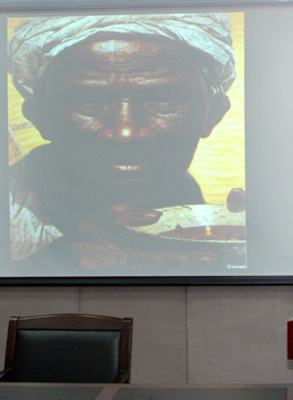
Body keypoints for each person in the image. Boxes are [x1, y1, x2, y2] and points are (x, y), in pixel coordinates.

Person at [8, 14, 237, 269]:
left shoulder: (200, 210)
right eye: (88, 101)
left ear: (213, 115)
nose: (125, 132)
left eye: (163, 98)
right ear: (40, 118)